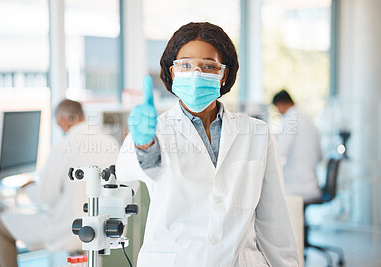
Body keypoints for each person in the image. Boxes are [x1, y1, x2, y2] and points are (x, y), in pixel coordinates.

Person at [117, 22, 299, 266]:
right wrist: (144, 144)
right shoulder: (155, 130)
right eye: (186, 65)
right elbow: (136, 170)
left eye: (209, 66)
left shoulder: (257, 133)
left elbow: (274, 222)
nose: (196, 74)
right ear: (172, 72)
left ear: (223, 74)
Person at [0, 99, 120, 267]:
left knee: (0, 226)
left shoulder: (63, 147)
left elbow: (45, 196)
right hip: (103, 229)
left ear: (63, 119)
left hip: (68, 229)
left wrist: (30, 187)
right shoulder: (111, 143)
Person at [272, 89, 322, 202]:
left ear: (279, 105)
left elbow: (279, 152)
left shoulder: (291, 120)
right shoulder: (308, 120)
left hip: (296, 187)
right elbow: (320, 155)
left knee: (267, 192)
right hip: (311, 184)